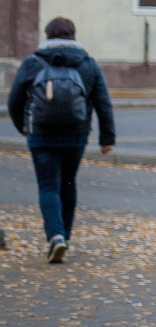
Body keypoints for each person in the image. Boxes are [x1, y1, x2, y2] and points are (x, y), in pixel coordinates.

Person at [8, 17, 116, 263]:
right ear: (73, 36)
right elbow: (103, 103)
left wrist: (22, 126)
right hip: (76, 135)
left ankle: (55, 237)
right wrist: (106, 137)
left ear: (47, 36)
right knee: (68, 184)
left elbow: (14, 100)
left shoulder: (32, 63)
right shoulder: (88, 64)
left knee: (48, 186)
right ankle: (64, 237)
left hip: (41, 136)